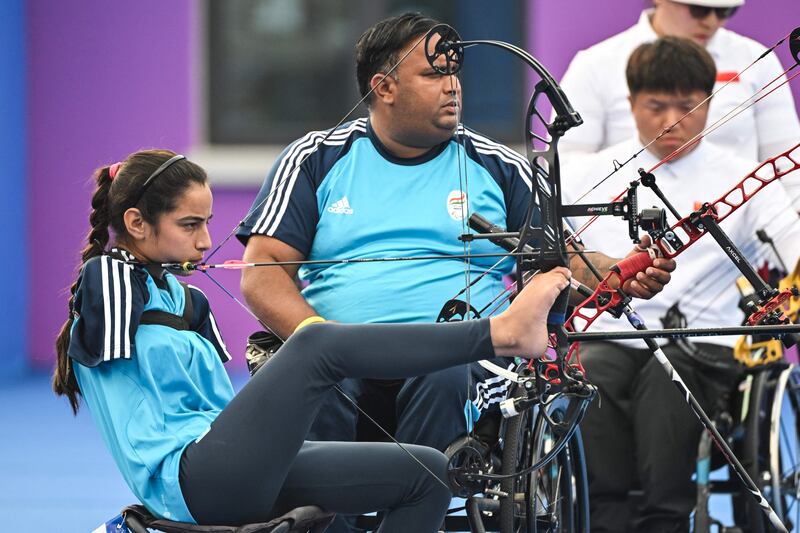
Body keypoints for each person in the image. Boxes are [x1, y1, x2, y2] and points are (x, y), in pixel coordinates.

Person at [52, 148, 575, 532]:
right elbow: (110, 277)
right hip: (187, 483)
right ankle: (502, 332)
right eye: (189, 225)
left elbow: (221, 412)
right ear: (136, 223)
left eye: (208, 223)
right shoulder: (109, 278)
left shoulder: (190, 302)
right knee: (316, 344)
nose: (207, 242)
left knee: (427, 472)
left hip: (234, 469)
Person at [237, 11, 675, 467]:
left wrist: (619, 270)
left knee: (442, 377)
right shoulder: (314, 158)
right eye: (432, 74)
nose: (453, 86)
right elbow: (262, 275)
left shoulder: (500, 166)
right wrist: (324, 344)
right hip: (341, 357)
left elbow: (566, 258)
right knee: (312, 383)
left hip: (459, 359)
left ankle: (419, 508)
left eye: (454, 73)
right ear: (382, 87)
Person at [562, 37, 800, 532]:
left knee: (666, 378)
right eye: (656, 105)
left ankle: (665, 520)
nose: (672, 120)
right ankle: (603, 518)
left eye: (687, 105)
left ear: (710, 103)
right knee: (588, 374)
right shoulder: (588, 174)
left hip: (706, 347)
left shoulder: (748, 179)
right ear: (630, 105)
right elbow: (556, 258)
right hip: (613, 338)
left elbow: (793, 248)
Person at [559, 0, 800, 173]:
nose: (712, 22)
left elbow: (788, 161)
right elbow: (569, 165)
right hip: (627, 222)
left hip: (737, 223)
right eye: (700, 9)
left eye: (725, 11)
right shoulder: (595, 64)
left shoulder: (756, 58)